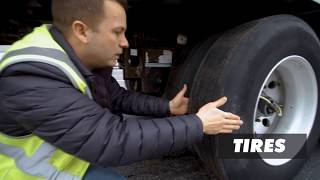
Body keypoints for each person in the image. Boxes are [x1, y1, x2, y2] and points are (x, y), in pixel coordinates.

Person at [0, 0, 243, 179]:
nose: (126, 42)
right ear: (82, 31)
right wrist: (199, 124)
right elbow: (110, 141)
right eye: (118, 32)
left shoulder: (78, 60)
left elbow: (117, 97)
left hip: (69, 161)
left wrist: (167, 107)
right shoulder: (33, 76)